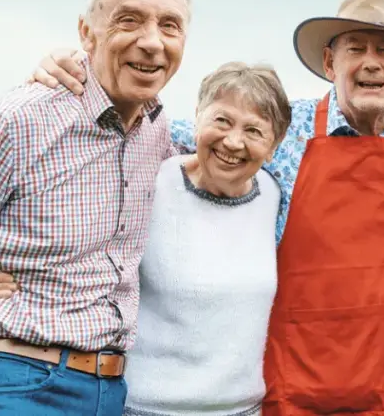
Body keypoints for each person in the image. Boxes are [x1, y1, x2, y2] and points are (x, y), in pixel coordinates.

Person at [0, 0, 384, 415]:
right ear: (331, 62)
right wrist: (80, 76)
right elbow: (147, 137)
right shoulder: (280, 133)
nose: (372, 63)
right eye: (356, 48)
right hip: (295, 393)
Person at [0, 0, 189, 414]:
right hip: (7, 379)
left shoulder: (158, 134)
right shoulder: (17, 120)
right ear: (86, 32)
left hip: (109, 390)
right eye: (129, 20)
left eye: (170, 26)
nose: (152, 42)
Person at [122, 62, 290, 416]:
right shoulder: (150, 180)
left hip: (243, 410)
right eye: (222, 121)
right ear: (197, 117)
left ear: (274, 146)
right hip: (144, 408)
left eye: (254, 131)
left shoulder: (274, 195)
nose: (233, 141)